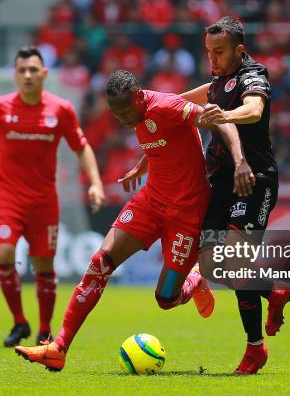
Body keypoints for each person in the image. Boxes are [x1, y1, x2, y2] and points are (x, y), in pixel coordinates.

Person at [14, 69, 252, 371]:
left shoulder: (167, 106)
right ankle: (58, 347)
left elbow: (217, 118)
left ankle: (195, 278)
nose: (123, 118)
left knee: (166, 298)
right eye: (116, 113)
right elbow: (160, 138)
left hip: (187, 213)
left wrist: (240, 161)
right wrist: (143, 165)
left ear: (139, 96)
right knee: (100, 263)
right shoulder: (137, 114)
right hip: (150, 202)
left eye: (126, 111)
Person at [0, 46, 105, 347]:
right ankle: (19, 322)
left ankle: (44, 330)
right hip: (7, 199)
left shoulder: (60, 109)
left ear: (44, 74)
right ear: (15, 74)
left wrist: (96, 183)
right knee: (5, 254)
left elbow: (82, 147)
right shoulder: (0, 107)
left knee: (44, 266)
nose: (27, 75)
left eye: (33, 70)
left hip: (43, 203)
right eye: (22, 70)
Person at [180, 16, 290, 375]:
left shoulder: (253, 75)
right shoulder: (218, 79)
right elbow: (183, 101)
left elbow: (254, 109)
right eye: (208, 52)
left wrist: (222, 115)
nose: (212, 59)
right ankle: (272, 289)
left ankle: (254, 349)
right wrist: (151, 107)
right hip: (221, 182)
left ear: (239, 50)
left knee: (235, 260)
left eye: (219, 52)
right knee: (215, 265)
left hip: (254, 180)